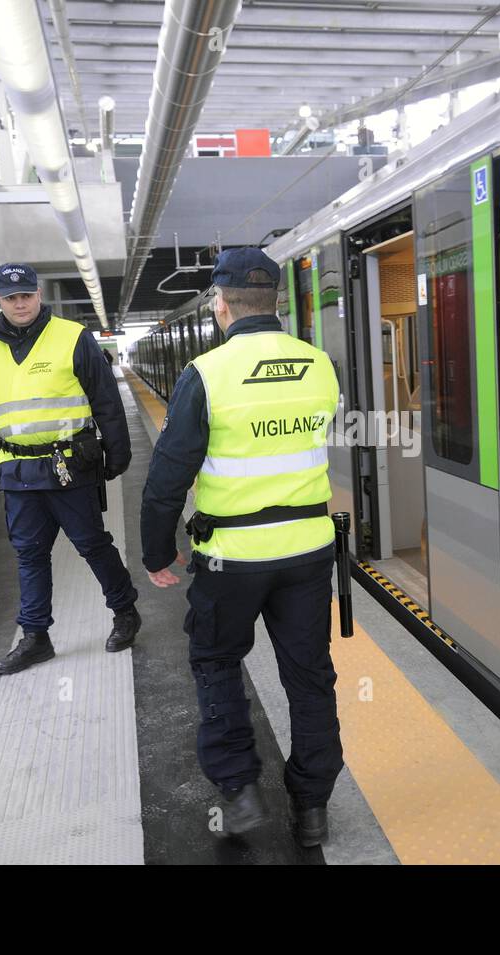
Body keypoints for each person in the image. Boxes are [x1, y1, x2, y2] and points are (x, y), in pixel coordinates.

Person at [140, 247, 343, 847]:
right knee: (309, 678)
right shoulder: (319, 364)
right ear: (277, 302)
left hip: (232, 557)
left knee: (216, 661)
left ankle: (239, 786)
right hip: (308, 552)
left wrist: (157, 552)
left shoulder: (206, 373)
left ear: (221, 305)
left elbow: (169, 475)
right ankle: (311, 808)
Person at [0, 263, 141, 675]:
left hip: (69, 466)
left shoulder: (73, 337)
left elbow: (106, 401)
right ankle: (35, 637)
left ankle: (125, 612)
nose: (20, 303)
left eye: (26, 295)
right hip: (18, 471)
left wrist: (118, 453)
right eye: (11, 298)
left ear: (38, 294)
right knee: (29, 555)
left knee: (92, 545)